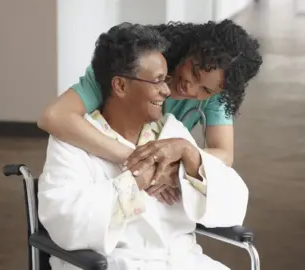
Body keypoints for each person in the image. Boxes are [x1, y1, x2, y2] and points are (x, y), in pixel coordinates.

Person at [37, 23, 249, 270]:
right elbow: (66, 222)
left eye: (205, 89)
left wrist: (190, 157)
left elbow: (235, 202)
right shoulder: (72, 143)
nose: (167, 91)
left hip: (182, 261)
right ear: (121, 86)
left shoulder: (171, 134)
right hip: (117, 263)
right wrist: (135, 176)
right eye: (159, 80)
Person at [37, 20, 262, 203]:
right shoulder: (130, 62)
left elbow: (224, 155)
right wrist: (141, 159)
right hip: (103, 175)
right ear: (190, 50)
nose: (191, 88)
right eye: (193, 72)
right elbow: (54, 117)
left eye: (205, 89)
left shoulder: (215, 96)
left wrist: (183, 150)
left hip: (156, 193)